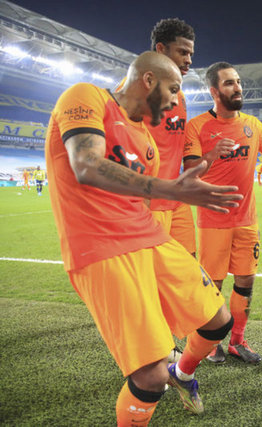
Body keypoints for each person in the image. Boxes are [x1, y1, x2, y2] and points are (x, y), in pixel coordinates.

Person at [45, 51, 243, 425]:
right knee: (150, 375)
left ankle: (182, 373)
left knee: (218, 320)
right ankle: (159, 377)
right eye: (173, 89)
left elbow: (146, 198)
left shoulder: (146, 140)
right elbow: (86, 164)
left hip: (149, 237)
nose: (174, 101)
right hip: (101, 247)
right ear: (148, 80)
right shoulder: (85, 96)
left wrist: (184, 188)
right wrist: (171, 187)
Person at [115, 17, 197, 363]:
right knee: (149, 280)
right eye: (183, 52)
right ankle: (157, 351)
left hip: (176, 202)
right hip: (149, 203)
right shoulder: (132, 92)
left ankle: (191, 339)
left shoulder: (179, 97)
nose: (189, 60)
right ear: (160, 50)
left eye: (191, 54)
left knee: (187, 271)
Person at [184, 61, 262, 365]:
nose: (238, 88)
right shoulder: (196, 127)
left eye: (238, 82)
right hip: (213, 222)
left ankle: (237, 341)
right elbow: (190, 172)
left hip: (247, 220)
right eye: (229, 83)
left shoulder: (253, 125)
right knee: (213, 285)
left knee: (246, 281)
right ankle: (211, 343)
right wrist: (211, 154)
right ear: (214, 91)